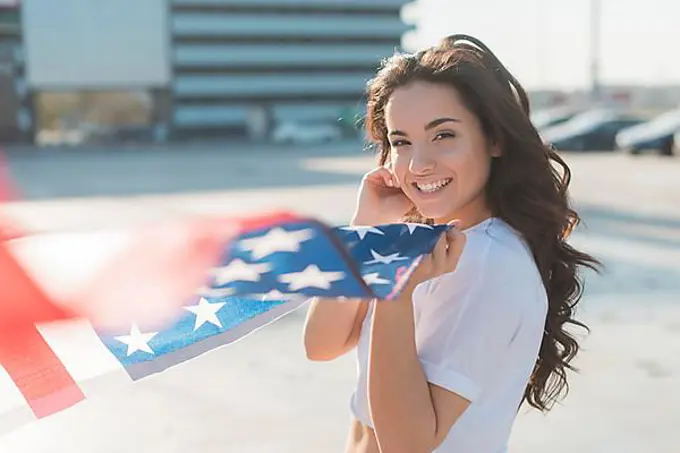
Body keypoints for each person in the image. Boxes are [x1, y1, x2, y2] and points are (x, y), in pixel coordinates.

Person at [302, 34, 600, 453]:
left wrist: (394, 291)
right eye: (401, 141)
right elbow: (321, 343)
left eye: (443, 135)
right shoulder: (435, 246)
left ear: (494, 139)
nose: (418, 164)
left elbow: (406, 444)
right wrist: (365, 229)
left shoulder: (487, 262)